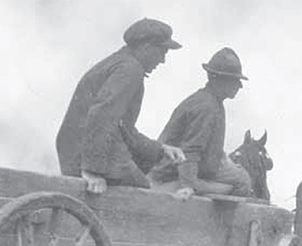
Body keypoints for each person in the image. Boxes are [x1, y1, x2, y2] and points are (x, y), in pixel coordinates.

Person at [56, 18, 186, 194]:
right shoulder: (129, 69)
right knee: (145, 197)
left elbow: (124, 129)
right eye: (162, 52)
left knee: (142, 182)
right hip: (85, 154)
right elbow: (102, 115)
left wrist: (161, 149)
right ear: (146, 47)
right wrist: (92, 171)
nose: (162, 60)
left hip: (79, 150)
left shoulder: (122, 63)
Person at [148, 47, 253, 198]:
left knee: (241, 176)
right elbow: (190, 150)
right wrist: (187, 186)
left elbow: (209, 146)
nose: (239, 86)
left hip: (193, 169)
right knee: (242, 182)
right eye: (235, 80)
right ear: (221, 80)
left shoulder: (212, 101)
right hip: (172, 173)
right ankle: (191, 193)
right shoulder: (206, 107)